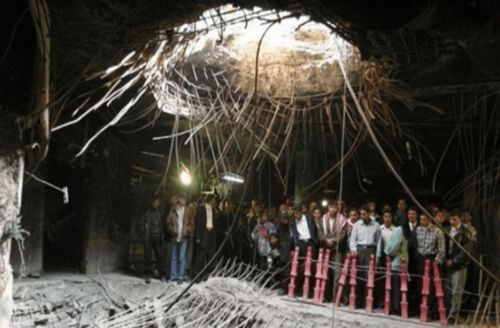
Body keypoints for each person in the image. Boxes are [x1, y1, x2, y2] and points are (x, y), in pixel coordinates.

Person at [415, 213, 446, 319]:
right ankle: (421, 311)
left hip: (432, 258)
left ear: (430, 219)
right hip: (420, 259)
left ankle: (432, 313)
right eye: (421, 219)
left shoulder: (438, 231)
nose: (421, 221)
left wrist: (436, 263)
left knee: (432, 288)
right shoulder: (418, 229)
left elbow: (441, 250)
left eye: (424, 219)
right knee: (420, 285)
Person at [349, 205, 381, 308]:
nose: (362, 216)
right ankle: (358, 302)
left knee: (369, 277)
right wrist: (353, 250)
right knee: (359, 276)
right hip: (360, 251)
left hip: (371, 250)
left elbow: (379, 241)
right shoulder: (357, 224)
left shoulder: (376, 225)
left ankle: (368, 303)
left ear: (368, 214)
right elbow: (352, 240)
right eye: (361, 214)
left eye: (364, 214)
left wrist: (378, 255)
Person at [445, 210, 472, 323]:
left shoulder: (465, 232)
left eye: (455, 219)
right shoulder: (447, 230)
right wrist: (446, 259)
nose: (453, 221)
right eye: (451, 219)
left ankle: (453, 316)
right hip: (447, 262)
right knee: (447, 290)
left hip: (459, 265)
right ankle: (447, 313)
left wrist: (454, 261)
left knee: (456, 291)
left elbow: (466, 251)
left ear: (460, 219)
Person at [166, 192, 194, 284]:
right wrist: (172, 230)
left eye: (185, 199)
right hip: (175, 235)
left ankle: (180, 276)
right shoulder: (173, 209)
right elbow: (168, 221)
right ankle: (173, 276)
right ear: (179, 199)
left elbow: (191, 223)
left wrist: (187, 230)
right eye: (182, 199)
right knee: (174, 257)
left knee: (182, 257)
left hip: (183, 236)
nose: (184, 201)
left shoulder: (187, 210)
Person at [290, 203, 318, 296]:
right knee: (301, 268)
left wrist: (315, 243)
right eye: (294, 213)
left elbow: (315, 231)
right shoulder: (293, 221)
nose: (295, 215)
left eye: (297, 213)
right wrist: (294, 246)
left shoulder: (309, 218)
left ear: (301, 212)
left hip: (310, 243)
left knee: (312, 268)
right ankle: (299, 290)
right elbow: (293, 235)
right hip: (301, 245)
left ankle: (310, 291)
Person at [141, 196, 166, 283]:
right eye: (155, 202)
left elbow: (162, 225)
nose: (156, 204)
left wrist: (161, 235)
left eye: (158, 202)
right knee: (148, 256)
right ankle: (148, 274)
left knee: (159, 256)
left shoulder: (161, 213)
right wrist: (145, 236)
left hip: (158, 236)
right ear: (152, 203)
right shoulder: (148, 213)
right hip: (150, 236)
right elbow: (144, 225)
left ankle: (161, 274)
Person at [193, 195, 218, 276]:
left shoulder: (213, 210)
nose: (215, 202)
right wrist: (198, 237)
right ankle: (198, 273)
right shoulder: (201, 209)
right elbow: (198, 223)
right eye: (214, 200)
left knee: (210, 253)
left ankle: (209, 273)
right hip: (203, 233)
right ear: (210, 200)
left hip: (211, 233)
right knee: (201, 255)